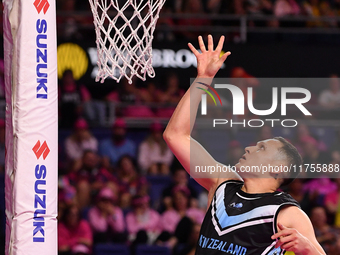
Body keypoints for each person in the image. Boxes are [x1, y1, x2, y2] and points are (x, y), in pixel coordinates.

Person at [163, 35, 326, 254]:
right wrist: (204, 78)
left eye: (261, 148)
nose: (249, 148)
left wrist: (309, 250)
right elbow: (175, 135)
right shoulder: (222, 183)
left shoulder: (286, 212)